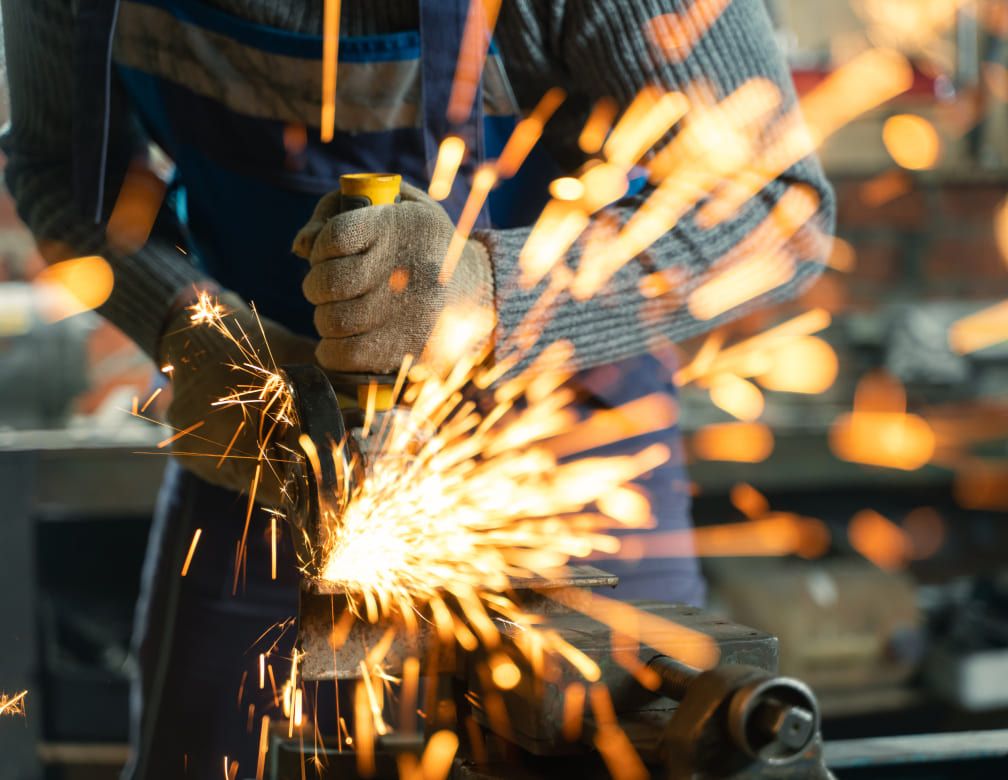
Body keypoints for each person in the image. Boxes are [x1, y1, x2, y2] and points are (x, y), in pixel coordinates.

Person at [2, 0, 835, 775]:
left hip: (569, 468)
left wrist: (494, 294)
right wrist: (188, 326)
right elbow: (62, 176)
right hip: (263, 448)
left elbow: (772, 211)